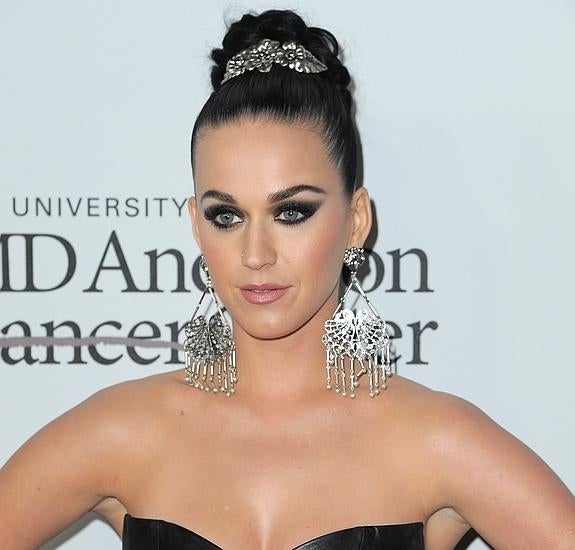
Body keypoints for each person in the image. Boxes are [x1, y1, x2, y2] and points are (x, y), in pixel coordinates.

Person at [1, 8, 574, 550]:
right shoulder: (123, 431)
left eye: (292, 212)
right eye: (226, 216)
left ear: (356, 220)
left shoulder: (435, 441)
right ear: (196, 226)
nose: (255, 254)